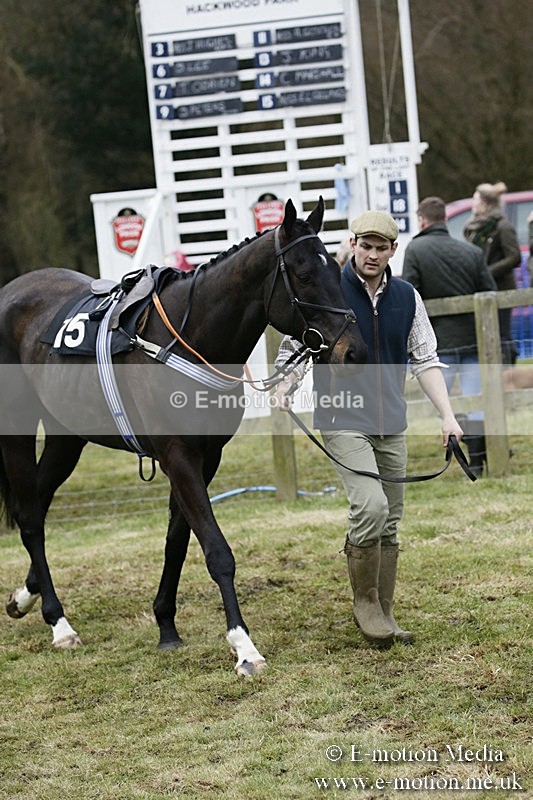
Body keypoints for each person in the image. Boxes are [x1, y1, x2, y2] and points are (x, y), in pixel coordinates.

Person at [274, 211, 463, 649]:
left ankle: (385, 608)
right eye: (366, 246)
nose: (373, 255)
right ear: (353, 243)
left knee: (391, 521)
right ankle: (365, 603)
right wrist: (285, 382)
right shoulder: (329, 288)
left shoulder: (407, 298)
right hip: (343, 418)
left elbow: (426, 359)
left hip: (392, 422)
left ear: (393, 250)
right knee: (371, 507)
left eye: (382, 248)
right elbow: (294, 344)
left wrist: (448, 416)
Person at [402, 196, 496, 476]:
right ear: (445, 218)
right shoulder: (471, 252)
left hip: (437, 343)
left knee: (440, 405)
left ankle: (467, 454)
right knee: (475, 400)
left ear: (422, 220)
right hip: (473, 339)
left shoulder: (416, 250)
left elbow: (410, 295)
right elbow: (489, 292)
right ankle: (478, 462)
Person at [463, 182, 521, 364]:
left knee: (502, 335)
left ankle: (508, 375)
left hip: (501, 290)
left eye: (475, 200)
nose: (473, 205)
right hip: (480, 290)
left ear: (485, 203)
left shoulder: (502, 226)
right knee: (488, 335)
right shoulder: (475, 227)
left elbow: (514, 257)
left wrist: (487, 272)